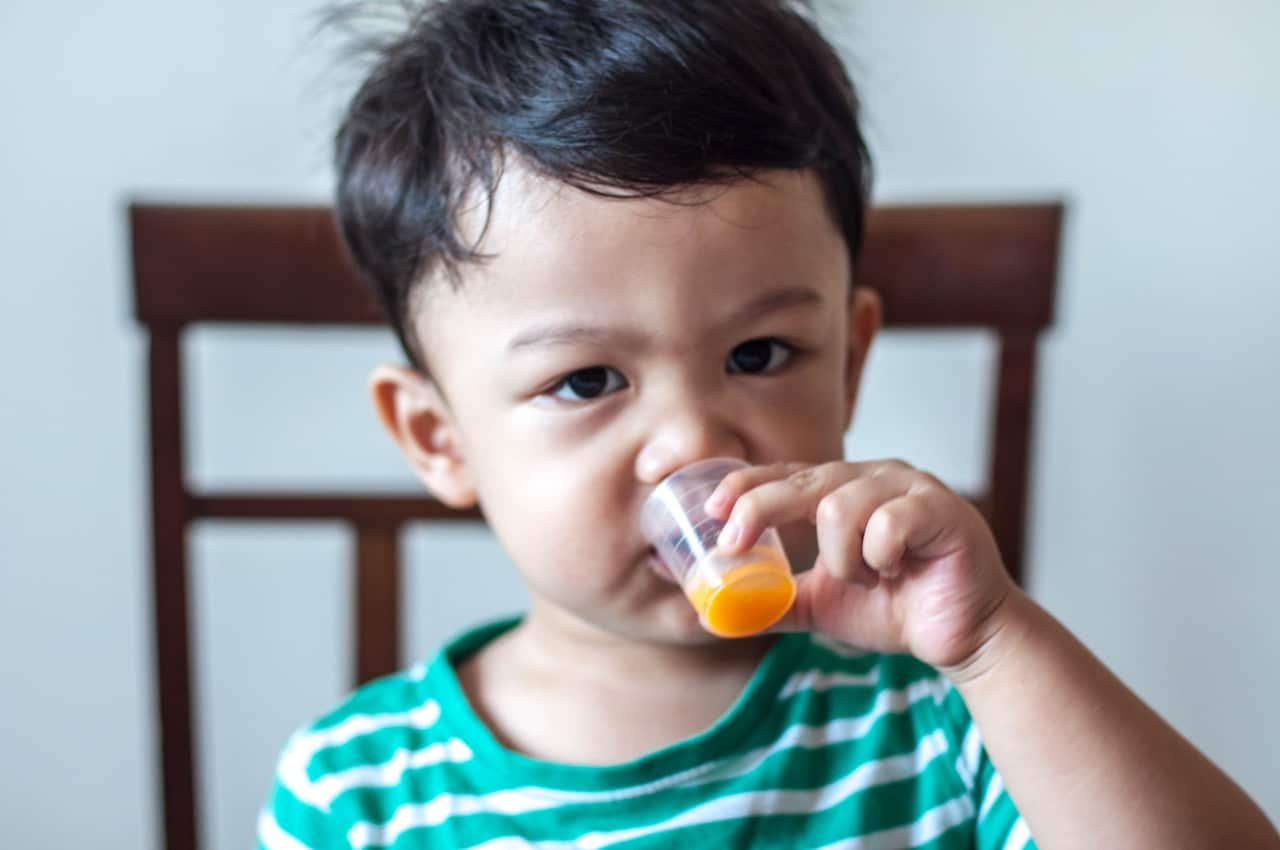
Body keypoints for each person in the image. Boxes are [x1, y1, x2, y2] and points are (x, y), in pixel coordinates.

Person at [257, 1, 1279, 847]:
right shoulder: (363, 793)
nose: (695, 443)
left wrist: (993, 643)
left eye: (756, 355)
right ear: (437, 438)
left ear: (850, 360)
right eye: (586, 380)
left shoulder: (940, 710)